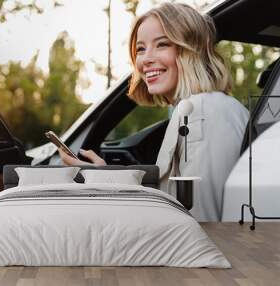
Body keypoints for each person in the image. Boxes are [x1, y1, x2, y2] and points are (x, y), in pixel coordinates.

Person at [59, 2, 249, 222]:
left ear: (191, 50)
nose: (146, 59)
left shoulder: (203, 110)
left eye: (162, 44)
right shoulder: (205, 107)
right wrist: (104, 176)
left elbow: (201, 224)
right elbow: (170, 200)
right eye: (140, 49)